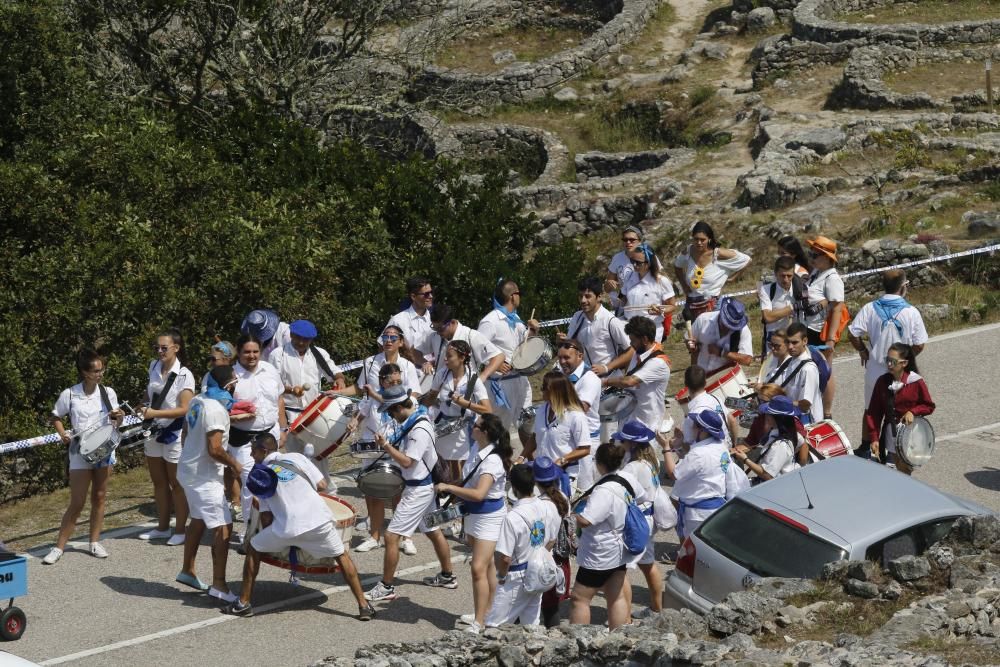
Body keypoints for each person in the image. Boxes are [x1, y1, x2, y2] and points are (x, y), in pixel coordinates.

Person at [225, 435, 375, 620]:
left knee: (254, 547)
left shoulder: (261, 476)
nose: (251, 454)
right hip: (320, 523)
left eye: (254, 450)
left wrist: (279, 541)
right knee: (342, 556)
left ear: (264, 451)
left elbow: (266, 517)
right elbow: (322, 485)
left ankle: (243, 603)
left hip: (287, 529)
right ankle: (363, 605)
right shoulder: (298, 457)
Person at [365, 386, 458, 603]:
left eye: (390, 411)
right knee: (433, 531)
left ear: (399, 408)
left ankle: (386, 587)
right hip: (422, 487)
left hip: (418, 490)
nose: (390, 415)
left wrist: (387, 446)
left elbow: (408, 461)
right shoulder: (416, 415)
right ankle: (447, 575)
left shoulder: (419, 430)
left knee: (391, 536)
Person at [43, 349, 125, 564]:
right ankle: (59, 547)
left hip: (104, 451)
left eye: (102, 370)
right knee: (77, 502)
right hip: (79, 452)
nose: (100, 374)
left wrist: (120, 418)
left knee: (99, 496)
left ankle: (94, 542)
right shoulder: (69, 394)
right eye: (95, 371)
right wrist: (63, 434)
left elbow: (117, 422)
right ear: (84, 372)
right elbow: (55, 416)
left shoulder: (108, 393)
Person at [436, 413, 513, 634]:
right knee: (487, 566)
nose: (473, 427)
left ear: (485, 432)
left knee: (477, 567)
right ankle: (488, 611)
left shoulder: (492, 460)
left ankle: (479, 621)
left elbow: (479, 493)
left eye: (477, 425)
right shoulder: (476, 449)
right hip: (473, 514)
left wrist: (449, 488)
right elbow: (468, 481)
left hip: (489, 517)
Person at [174, 364, 242, 603]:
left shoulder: (198, 400)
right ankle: (220, 585)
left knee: (200, 520)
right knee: (224, 527)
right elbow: (215, 449)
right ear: (229, 386)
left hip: (189, 471)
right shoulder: (215, 410)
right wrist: (235, 465)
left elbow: (185, 433)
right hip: (203, 478)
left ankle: (187, 570)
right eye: (234, 385)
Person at [848, 270, 928, 459]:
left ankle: (866, 447)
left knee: (871, 408)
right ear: (903, 287)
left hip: (876, 368)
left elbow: (852, 333)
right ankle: (900, 447)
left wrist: (863, 351)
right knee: (902, 408)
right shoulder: (911, 312)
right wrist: (904, 361)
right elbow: (920, 344)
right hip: (902, 372)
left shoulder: (869, 308)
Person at [351, 363, 419, 557]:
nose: (397, 384)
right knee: (373, 493)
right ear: (382, 381)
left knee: (398, 494)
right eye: (392, 381)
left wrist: (374, 395)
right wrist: (353, 422)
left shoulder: (405, 399)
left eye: (399, 381)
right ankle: (374, 537)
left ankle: (406, 538)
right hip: (372, 451)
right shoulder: (370, 399)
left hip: (395, 450)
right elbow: (360, 415)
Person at [484, 463, 561, 630]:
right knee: (531, 626)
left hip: (515, 576)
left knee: (494, 627)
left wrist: (501, 576)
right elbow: (551, 541)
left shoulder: (512, 517)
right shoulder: (548, 507)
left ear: (513, 486)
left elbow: (504, 557)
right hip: (538, 572)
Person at [269, 319, 345, 486]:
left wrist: (339, 380)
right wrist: (290, 390)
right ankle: (301, 494)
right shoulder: (278, 354)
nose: (302, 342)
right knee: (295, 459)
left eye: (306, 339)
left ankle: (326, 495)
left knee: (319, 457)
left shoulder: (319, 354)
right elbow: (272, 384)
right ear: (291, 335)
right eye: (298, 338)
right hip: (289, 414)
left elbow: (335, 372)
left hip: (314, 413)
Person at [138, 329, 195, 545]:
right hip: (153, 430)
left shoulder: (184, 375)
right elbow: (149, 394)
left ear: (176, 348)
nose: (160, 351)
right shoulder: (153, 366)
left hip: (174, 432)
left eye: (164, 347)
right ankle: (162, 527)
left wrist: (155, 413)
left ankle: (180, 530)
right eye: (157, 348)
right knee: (158, 482)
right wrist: (143, 406)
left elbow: (184, 408)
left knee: (177, 483)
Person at [570, 442, 633, 630]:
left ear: (598, 463)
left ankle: (578, 642)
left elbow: (587, 521)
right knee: (616, 596)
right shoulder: (626, 479)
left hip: (599, 553)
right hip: (619, 548)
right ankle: (618, 640)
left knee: (579, 598)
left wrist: (574, 515)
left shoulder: (603, 491)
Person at [229, 335, 287, 539]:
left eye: (255, 351)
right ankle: (251, 532)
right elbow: (218, 407)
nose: (252, 356)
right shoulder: (230, 375)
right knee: (250, 484)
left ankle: (272, 528)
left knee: (272, 480)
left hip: (270, 433)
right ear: (238, 352)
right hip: (243, 439)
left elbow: (279, 399)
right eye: (247, 352)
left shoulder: (270, 370)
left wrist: (283, 428)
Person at [424, 339, 493, 482]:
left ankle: (458, 496)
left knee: (462, 467)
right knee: (443, 463)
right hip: (443, 426)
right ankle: (448, 492)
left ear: (462, 358)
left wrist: (465, 403)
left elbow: (487, 409)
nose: (445, 359)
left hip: (463, 429)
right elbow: (430, 398)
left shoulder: (473, 379)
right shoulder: (442, 374)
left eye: (449, 356)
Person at [614, 421, 664, 613]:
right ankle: (656, 610)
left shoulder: (632, 468)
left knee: (621, 570)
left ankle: (623, 615)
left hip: (637, 522)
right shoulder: (652, 462)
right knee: (648, 565)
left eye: (624, 441)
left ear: (632, 444)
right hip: (649, 518)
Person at [477, 278, 539, 431]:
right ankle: (496, 455)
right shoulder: (490, 321)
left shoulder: (516, 319)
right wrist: (493, 363)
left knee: (527, 424)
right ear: (513, 296)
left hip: (521, 379)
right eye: (519, 293)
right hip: (502, 383)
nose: (520, 297)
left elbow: (523, 343)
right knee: (499, 429)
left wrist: (533, 331)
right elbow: (477, 348)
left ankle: (526, 455)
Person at [865, 343, 935, 475]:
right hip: (890, 433)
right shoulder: (882, 382)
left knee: (904, 469)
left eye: (893, 361)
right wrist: (874, 437)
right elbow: (874, 412)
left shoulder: (916, 382)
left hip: (911, 434)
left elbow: (928, 405)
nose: (889, 365)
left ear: (904, 363)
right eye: (888, 360)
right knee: (896, 467)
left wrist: (913, 412)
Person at [663, 410, 730, 541]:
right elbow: (691, 465)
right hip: (715, 507)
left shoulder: (699, 453)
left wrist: (666, 448)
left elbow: (673, 474)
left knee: (692, 550)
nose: (692, 427)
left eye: (695, 425)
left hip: (697, 513)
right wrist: (679, 445)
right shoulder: (721, 446)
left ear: (703, 431)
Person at [521, 372, 592, 488]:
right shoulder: (541, 410)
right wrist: (521, 457)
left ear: (555, 391)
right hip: (542, 472)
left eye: (544, 387)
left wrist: (562, 460)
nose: (541, 390)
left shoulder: (576, 416)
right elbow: (535, 437)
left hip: (564, 473)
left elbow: (585, 449)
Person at [602, 316, 670, 435]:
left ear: (644, 339)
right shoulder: (638, 353)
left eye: (633, 340)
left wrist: (606, 382)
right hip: (628, 420)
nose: (631, 345)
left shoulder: (658, 362)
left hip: (646, 425)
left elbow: (630, 381)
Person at [803, 236, 845, 419]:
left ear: (828, 258)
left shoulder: (832, 278)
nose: (812, 257)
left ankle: (827, 412)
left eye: (816, 255)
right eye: (811, 254)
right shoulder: (816, 273)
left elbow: (837, 308)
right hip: (807, 326)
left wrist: (831, 338)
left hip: (820, 331)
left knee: (825, 371)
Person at [673, 222, 751, 321]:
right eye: (696, 239)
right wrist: (684, 285)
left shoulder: (717, 254)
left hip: (713, 306)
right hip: (691, 304)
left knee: (711, 334)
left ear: (709, 239)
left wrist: (734, 277)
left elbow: (747, 260)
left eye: (703, 240)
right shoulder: (688, 252)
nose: (699, 243)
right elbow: (677, 266)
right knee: (695, 335)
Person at [557, 276, 633, 377]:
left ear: (599, 297)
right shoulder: (577, 317)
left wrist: (607, 367)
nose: (583, 300)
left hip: (608, 381)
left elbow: (631, 351)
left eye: (588, 296)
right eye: (580, 296)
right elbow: (571, 345)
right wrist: (562, 341)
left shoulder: (611, 321)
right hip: (584, 379)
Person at [533, 457, 574, 628]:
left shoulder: (538, 504)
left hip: (544, 561)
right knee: (552, 608)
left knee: (536, 606)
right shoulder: (562, 497)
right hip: (560, 561)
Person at [427, 303, 505, 385]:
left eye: (440, 329)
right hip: (440, 393)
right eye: (434, 328)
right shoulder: (435, 336)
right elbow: (416, 351)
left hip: (466, 394)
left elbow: (499, 356)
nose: (438, 332)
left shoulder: (471, 336)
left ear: (452, 322)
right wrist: (427, 362)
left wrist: (482, 377)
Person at [730, 396, 802, 483]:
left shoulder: (781, 445)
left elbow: (768, 475)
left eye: (768, 414)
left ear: (775, 418)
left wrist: (745, 460)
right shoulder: (780, 433)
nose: (766, 416)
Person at [619, 243, 676, 342]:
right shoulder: (629, 277)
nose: (634, 265)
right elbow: (622, 298)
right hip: (630, 328)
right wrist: (617, 301)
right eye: (632, 261)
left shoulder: (661, 281)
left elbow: (672, 306)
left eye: (638, 262)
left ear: (648, 263)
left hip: (651, 329)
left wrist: (660, 310)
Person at [670, 365, 736, 449]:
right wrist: (734, 445)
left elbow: (689, 449)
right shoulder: (716, 399)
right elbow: (733, 421)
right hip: (726, 451)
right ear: (705, 382)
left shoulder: (691, 417)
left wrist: (676, 442)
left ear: (686, 384)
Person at [686, 297, 754, 375]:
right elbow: (691, 344)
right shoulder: (703, 320)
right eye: (726, 324)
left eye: (732, 327)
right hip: (700, 375)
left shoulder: (743, 330)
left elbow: (747, 360)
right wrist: (691, 346)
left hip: (726, 377)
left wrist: (721, 352)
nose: (728, 328)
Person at [555, 339, 601, 444]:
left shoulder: (590, 378)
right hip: (566, 435)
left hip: (586, 439)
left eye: (566, 358)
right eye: (560, 358)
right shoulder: (559, 373)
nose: (562, 362)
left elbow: (580, 409)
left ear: (580, 356)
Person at [605, 225, 660, 312]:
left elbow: (659, 279)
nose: (628, 242)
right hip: (625, 307)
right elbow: (607, 288)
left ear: (640, 241)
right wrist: (609, 284)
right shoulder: (617, 258)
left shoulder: (649, 256)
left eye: (632, 240)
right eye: (625, 240)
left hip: (648, 306)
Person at [386, 276, 436, 368]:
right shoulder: (397, 320)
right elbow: (383, 347)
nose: (431, 296)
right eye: (426, 294)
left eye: (431, 292)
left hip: (433, 374)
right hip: (406, 374)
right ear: (413, 296)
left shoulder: (436, 320)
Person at [782, 323, 824, 425]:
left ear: (805, 341)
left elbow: (805, 404)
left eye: (794, 342)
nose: (790, 347)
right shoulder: (791, 361)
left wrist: (782, 404)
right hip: (795, 417)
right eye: (788, 342)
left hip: (809, 424)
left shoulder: (808, 369)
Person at [758, 256, 800, 354]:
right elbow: (767, 317)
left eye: (789, 276)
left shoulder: (801, 289)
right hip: (774, 343)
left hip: (794, 341)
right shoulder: (766, 290)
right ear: (776, 274)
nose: (786, 279)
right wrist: (793, 307)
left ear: (794, 273)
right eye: (782, 275)